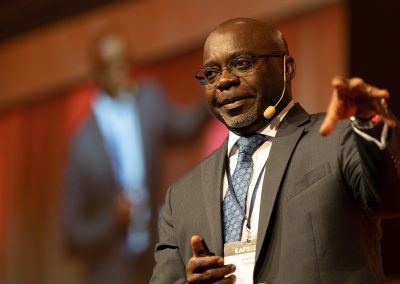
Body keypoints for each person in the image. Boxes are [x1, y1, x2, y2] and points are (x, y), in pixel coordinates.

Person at [150, 17, 400, 283]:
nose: (223, 81)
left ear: (286, 67)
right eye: (211, 73)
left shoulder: (341, 138)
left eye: (241, 63)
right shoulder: (181, 196)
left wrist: (372, 128)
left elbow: (390, 197)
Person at [63, 30, 208, 284]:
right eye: (111, 66)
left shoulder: (148, 100)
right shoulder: (82, 142)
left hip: (154, 262)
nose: (121, 71)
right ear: (95, 75)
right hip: (108, 272)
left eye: (125, 62)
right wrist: (113, 219)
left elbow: (185, 129)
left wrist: (213, 93)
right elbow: (73, 234)